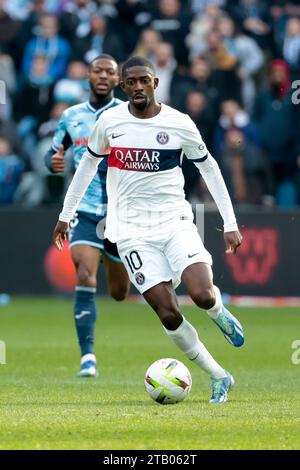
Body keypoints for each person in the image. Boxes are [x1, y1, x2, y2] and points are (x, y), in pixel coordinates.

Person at [53, 56, 244, 403]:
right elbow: (85, 166)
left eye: (145, 80)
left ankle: (217, 310)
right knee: (168, 311)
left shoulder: (179, 123)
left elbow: (210, 169)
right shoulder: (110, 121)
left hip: (173, 222)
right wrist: (66, 214)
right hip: (131, 233)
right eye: (132, 82)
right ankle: (219, 376)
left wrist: (229, 224)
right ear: (123, 86)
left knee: (201, 294)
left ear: (155, 83)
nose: (138, 87)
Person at [45, 54, 130, 377]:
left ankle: (116, 261)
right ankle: (88, 357)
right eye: (98, 71)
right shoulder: (71, 116)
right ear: (89, 77)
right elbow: (53, 152)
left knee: (120, 293)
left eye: (110, 72)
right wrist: (51, 163)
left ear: (118, 79)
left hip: (120, 213)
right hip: (84, 208)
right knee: (84, 274)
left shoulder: (126, 114)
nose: (104, 76)